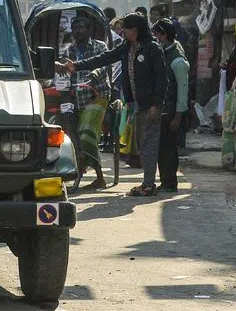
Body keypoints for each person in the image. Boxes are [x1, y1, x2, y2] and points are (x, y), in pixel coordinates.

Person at [61, 14, 167, 197]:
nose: (122, 32)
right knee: (142, 144)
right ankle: (147, 183)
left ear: (135, 30)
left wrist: (156, 105)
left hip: (150, 105)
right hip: (136, 104)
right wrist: (76, 66)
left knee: (148, 144)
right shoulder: (127, 47)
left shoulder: (152, 49)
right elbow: (104, 59)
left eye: (125, 29)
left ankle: (149, 185)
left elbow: (161, 79)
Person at [65, 15, 112, 190]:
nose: (78, 31)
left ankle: (100, 176)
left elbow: (105, 65)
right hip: (76, 99)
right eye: (75, 28)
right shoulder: (69, 51)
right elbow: (65, 72)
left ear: (89, 30)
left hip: (97, 96)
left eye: (81, 28)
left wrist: (93, 74)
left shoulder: (100, 46)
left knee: (86, 134)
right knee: (69, 134)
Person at [152, 19, 189, 192]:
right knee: (162, 147)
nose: (155, 38)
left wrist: (178, 116)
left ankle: (170, 182)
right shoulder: (167, 51)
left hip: (172, 111)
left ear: (164, 36)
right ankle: (165, 181)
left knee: (168, 149)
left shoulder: (177, 60)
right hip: (164, 110)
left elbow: (183, 91)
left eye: (157, 35)